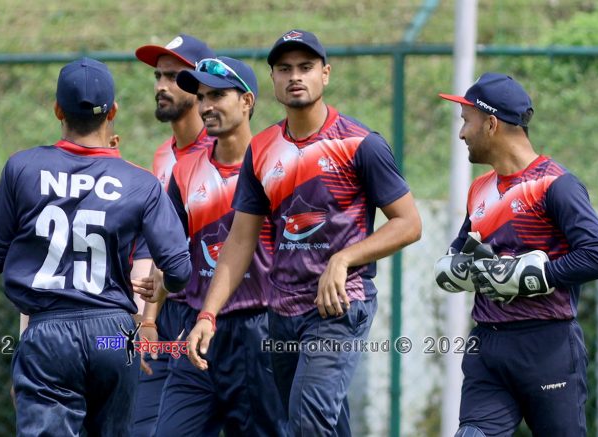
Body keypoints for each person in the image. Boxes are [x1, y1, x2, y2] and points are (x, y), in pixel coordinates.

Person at [186, 30, 422, 436]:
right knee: (318, 422)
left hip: (339, 306)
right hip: (281, 313)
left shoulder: (360, 143)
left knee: (307, 421)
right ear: (273, 79)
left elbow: (409, 223)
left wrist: (344, 259)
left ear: (325, 74)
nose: (295, 76)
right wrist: (208, 314)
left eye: (306, 67)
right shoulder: (261, 149)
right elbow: (240, 241)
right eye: (284, 69)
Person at [0, 57, 191, 436]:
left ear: (57, 109)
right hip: (114, 334)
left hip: (48, 334)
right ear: (113, 112)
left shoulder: (22, 168)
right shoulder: (140, 182)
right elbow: (178, 269)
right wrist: (163, 285)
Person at [436, 73, 598, 437]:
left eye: (466, 121)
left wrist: (531, 276)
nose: (462, 134)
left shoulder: (556, 185)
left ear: (491, 124)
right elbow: (460, 251)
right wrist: (461, 267)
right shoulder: (479, 189)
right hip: (487, 344)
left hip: (547, 346)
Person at [142, 56, 285, 435]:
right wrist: (149, 319)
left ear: (247, 101)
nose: (206, 106)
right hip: (197, 332)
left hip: (259, 332)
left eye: (218, 95)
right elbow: (168, 251)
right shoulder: (185, 171)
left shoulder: (276, 166)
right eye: (202, 97)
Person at [131, 33, 216, 436]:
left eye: (174, 77)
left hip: (212, 319)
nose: (162, 86)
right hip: (167, 317)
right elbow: (161, 242)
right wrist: (148, 319)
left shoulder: (224, 153)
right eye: (158, 76)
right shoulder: (163, 155)